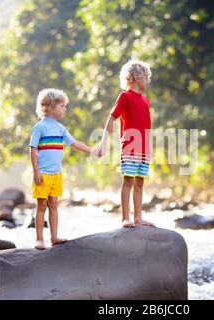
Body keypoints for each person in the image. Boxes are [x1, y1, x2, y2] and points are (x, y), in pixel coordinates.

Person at [30, 88, 94, 250]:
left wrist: (91, 150)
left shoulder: (60, 128)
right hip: (43, 174)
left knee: (53, 204)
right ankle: (39, 239)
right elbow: (32, 149)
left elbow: (74, 143)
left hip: (57, 174)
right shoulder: (39, 127)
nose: (65, 109)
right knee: (41, 205)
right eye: (62, 106)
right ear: (49, 107)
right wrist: (36, 171)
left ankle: (54, 237)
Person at [94, 60, 155, 228]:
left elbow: (146, 125)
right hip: (130, 145)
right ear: (136, 77)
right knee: (128, 180)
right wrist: (104, 142)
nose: (147, 81)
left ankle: (138, 217)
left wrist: (149, 146)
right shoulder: (124, 96)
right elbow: (112, 118)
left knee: (140, 181)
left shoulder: (145, 100)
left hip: (143, 147)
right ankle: (125, 218)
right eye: (146, 77)